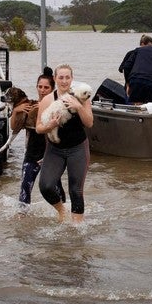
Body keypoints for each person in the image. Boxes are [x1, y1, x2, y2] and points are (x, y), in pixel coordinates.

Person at [35, 64, 93, 224]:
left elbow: (89, 123)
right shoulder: (47, 100)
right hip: (55, 149)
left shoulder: (81, 95)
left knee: (76, 190)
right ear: (55, 79)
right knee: (46, 186)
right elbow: (38, 128)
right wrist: (50, 126)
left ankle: (77, 228)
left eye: (67, 77)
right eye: (61, 77)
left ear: (72, 79)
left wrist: (78, 107)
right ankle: (62, 211)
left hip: (78, 148)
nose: (64, 81)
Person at [13, 67, 66, 214]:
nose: (42, 90)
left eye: (46, 87)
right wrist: (16, 111)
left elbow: (61, 135)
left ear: (52, 88)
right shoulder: (30, 106)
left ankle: (63, 215)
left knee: (55, 188)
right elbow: (14, 128)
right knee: (25, 188)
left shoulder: (58, 107)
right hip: (31, 155)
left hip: (52, 156)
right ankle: (22, 219)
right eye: (40, 87)